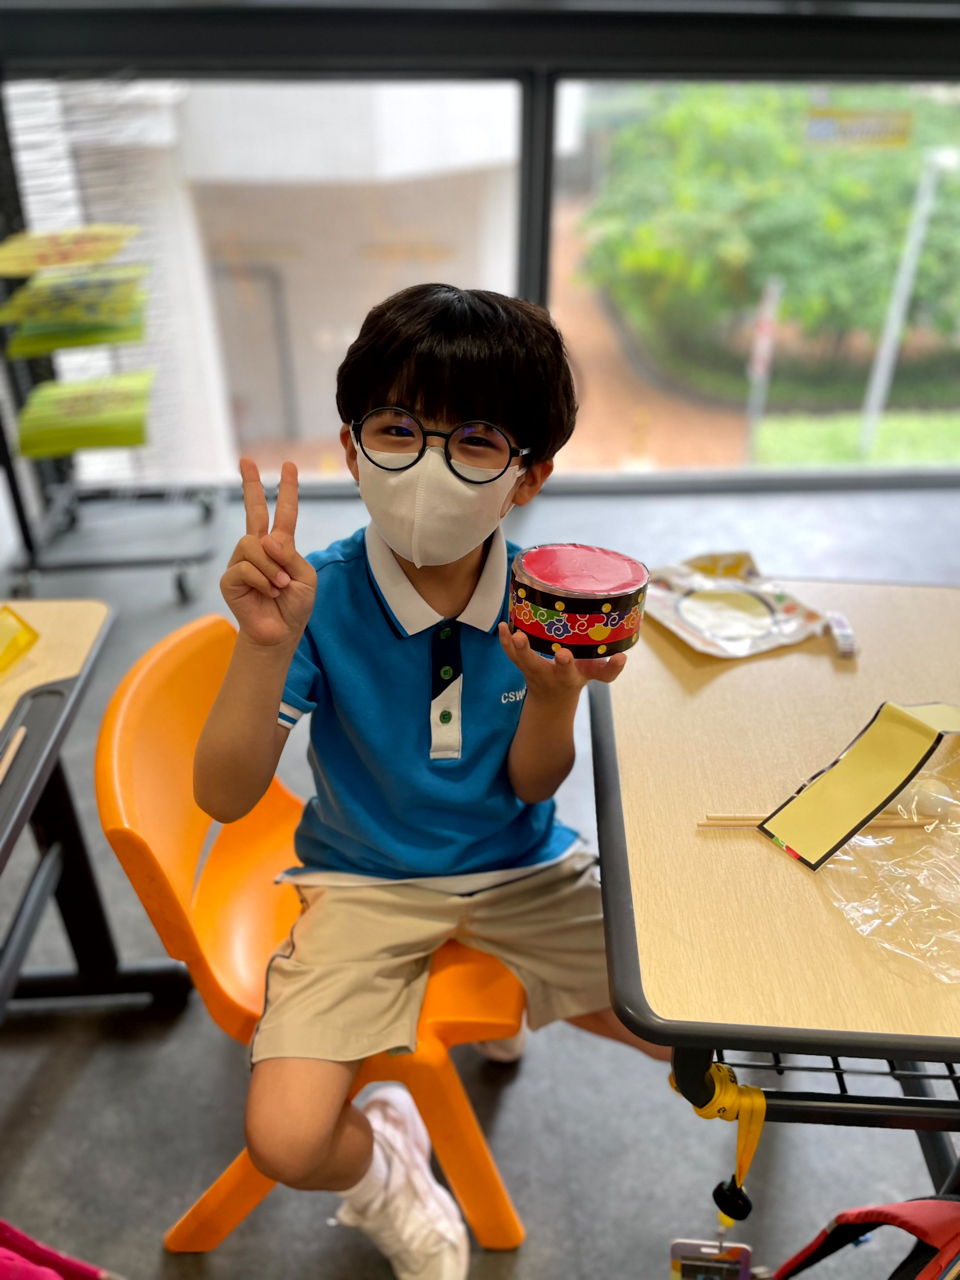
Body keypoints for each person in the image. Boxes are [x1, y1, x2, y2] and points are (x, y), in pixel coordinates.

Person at [194, 283, 670, 1280]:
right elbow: (225, 797)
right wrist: (263, 646)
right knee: (286, 1140)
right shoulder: (317, 597)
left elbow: (534, 785)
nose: (428, 468)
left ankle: (513, 1005)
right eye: (398, 430)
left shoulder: (549, 599)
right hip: (363, 879)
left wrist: (553, 700)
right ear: (351, 446)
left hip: (520, 865)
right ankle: (390, 1169)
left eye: (477, 441)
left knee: (695, 1024)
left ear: (529, 475)